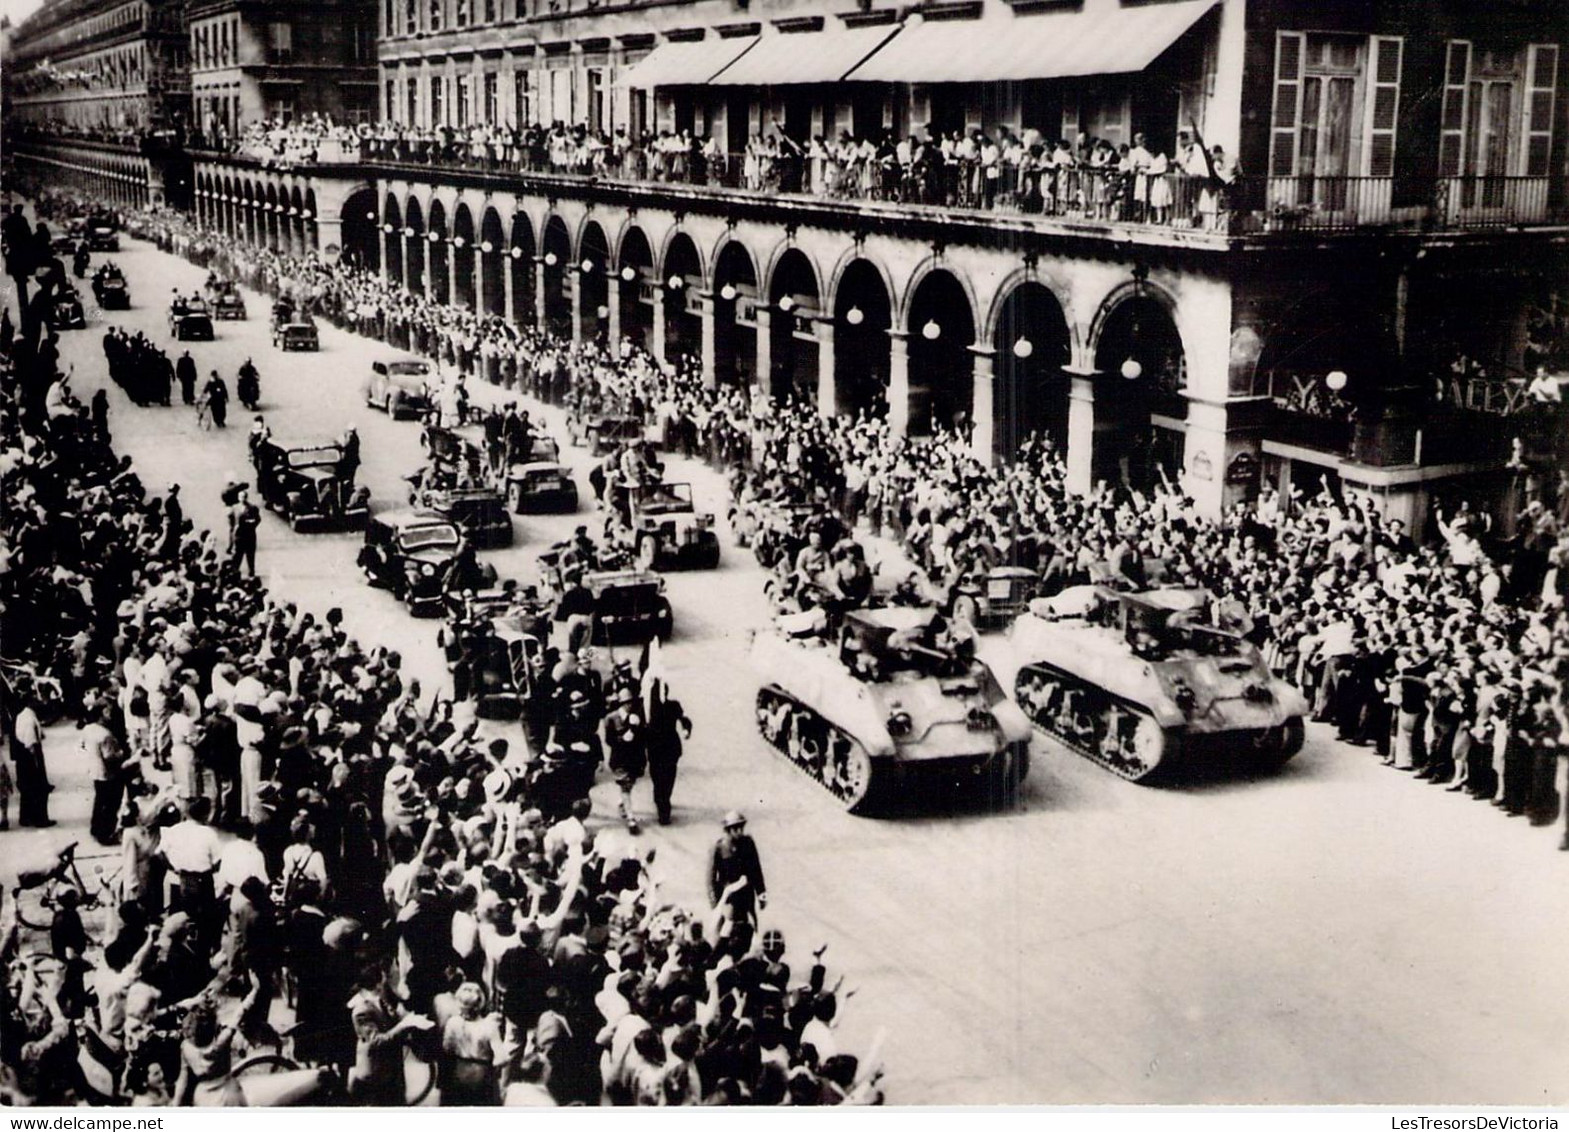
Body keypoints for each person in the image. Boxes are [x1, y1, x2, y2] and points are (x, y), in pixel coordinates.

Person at [707, 811, 767, 950]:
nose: (739, 831)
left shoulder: (748, 843)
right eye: (735, 828)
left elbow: (756, 870)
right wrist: (715, 903)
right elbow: (710, 878)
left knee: (750, 928)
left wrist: (761, 893)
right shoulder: (719, 848)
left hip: (747, 895)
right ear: (728, 830)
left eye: (741, 828)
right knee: (726, 931)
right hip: (729, 898)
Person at [11, 692, 52, 828]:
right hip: (30, 754)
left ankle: (25, 817)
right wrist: (36, 762)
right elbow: (30, 741)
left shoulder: (23, 715)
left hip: (23, 755)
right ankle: (40, 819)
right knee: (38, 788)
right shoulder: (29, 718)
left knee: (26, 788)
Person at [227, 486, 260, 578]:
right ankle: (235, 571)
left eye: (244, 497)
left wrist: (251, 525)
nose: (242, 499)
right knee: (238, 555)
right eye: (240, 497)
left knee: (250, 555)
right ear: (238, 498)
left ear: (246, 497)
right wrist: (234, 528)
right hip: (239, 535)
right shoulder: (234, 508)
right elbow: (231, 520)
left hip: (249, 535)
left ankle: (251, 571)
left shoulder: (253, 508)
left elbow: (257, 519)